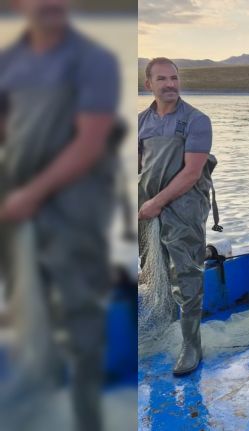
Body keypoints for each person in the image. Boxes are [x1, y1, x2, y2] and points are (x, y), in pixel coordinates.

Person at [0, 0, 120, 429]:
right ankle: (38, 391)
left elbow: (90, 143)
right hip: (19, 201)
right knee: (24, 300)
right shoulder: (8, 60)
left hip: (76, 206)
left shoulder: (93, 60)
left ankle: (88, 414)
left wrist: (31, 192)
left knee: (79, 310)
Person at [138, 57, 215, 376]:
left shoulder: (196, 120)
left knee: (187, 273)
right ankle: (162, 325)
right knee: (151, 267)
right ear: (149, 85)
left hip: (183, 207)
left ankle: (190, 345)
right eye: (162, 79)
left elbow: (192, 173)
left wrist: (157, 203)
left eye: (174, 78)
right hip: (146, 205)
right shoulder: (141, 121)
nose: (170, 84)